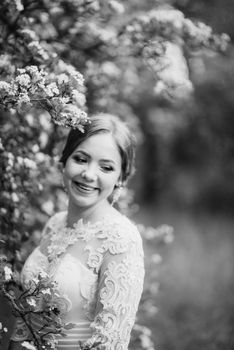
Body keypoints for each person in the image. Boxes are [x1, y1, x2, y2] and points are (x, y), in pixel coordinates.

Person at [9, 113, 145, 350]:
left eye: (106, 167)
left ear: (120, 178)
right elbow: (26, 320)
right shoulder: (55, 224)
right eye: (81, 159)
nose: (89, 174)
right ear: (65, 160)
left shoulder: (122, 239)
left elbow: (109, 343)